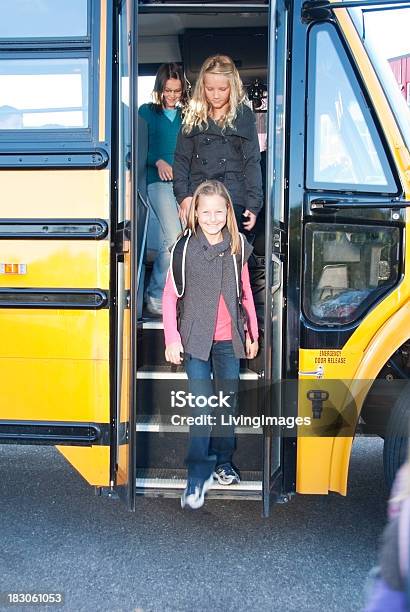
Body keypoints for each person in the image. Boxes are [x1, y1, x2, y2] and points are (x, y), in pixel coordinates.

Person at [162, 180, 259, 510]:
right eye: (206, 212)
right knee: (202, 408)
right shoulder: (184, 249)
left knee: (226, 405)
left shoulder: (237, 247)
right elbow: (168, 296)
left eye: (219, 211)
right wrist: (172, 339)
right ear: (195, 213)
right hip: (194, 341)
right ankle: (196, 474)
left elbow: (244, 293)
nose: (213, 218)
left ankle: (223, 462)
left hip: (229, 340)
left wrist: (252, 334)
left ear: (228, 212)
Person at [173, 54, 263, 234]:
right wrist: (184, 196)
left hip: (232, 197)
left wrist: (253, 204)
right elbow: (181, 160)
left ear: (233, 87)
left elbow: (252, 162)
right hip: (199, 195)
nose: (215, 95)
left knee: (231, 254)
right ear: (202, 87)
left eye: (222, 89)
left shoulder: (243, 116)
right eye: (209, 88)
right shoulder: (193, 117)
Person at [139, 63, 190, 316]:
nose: (172, 96)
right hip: (156, 184)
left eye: (177, 91)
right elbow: (137, 148)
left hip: (181, 186)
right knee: (174, 241)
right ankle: (156, 292)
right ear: (159, 89)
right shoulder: (146, 113)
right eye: (168, 90)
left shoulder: (186, 117)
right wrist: (157, 160)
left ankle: (168, 295)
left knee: (174, 242)